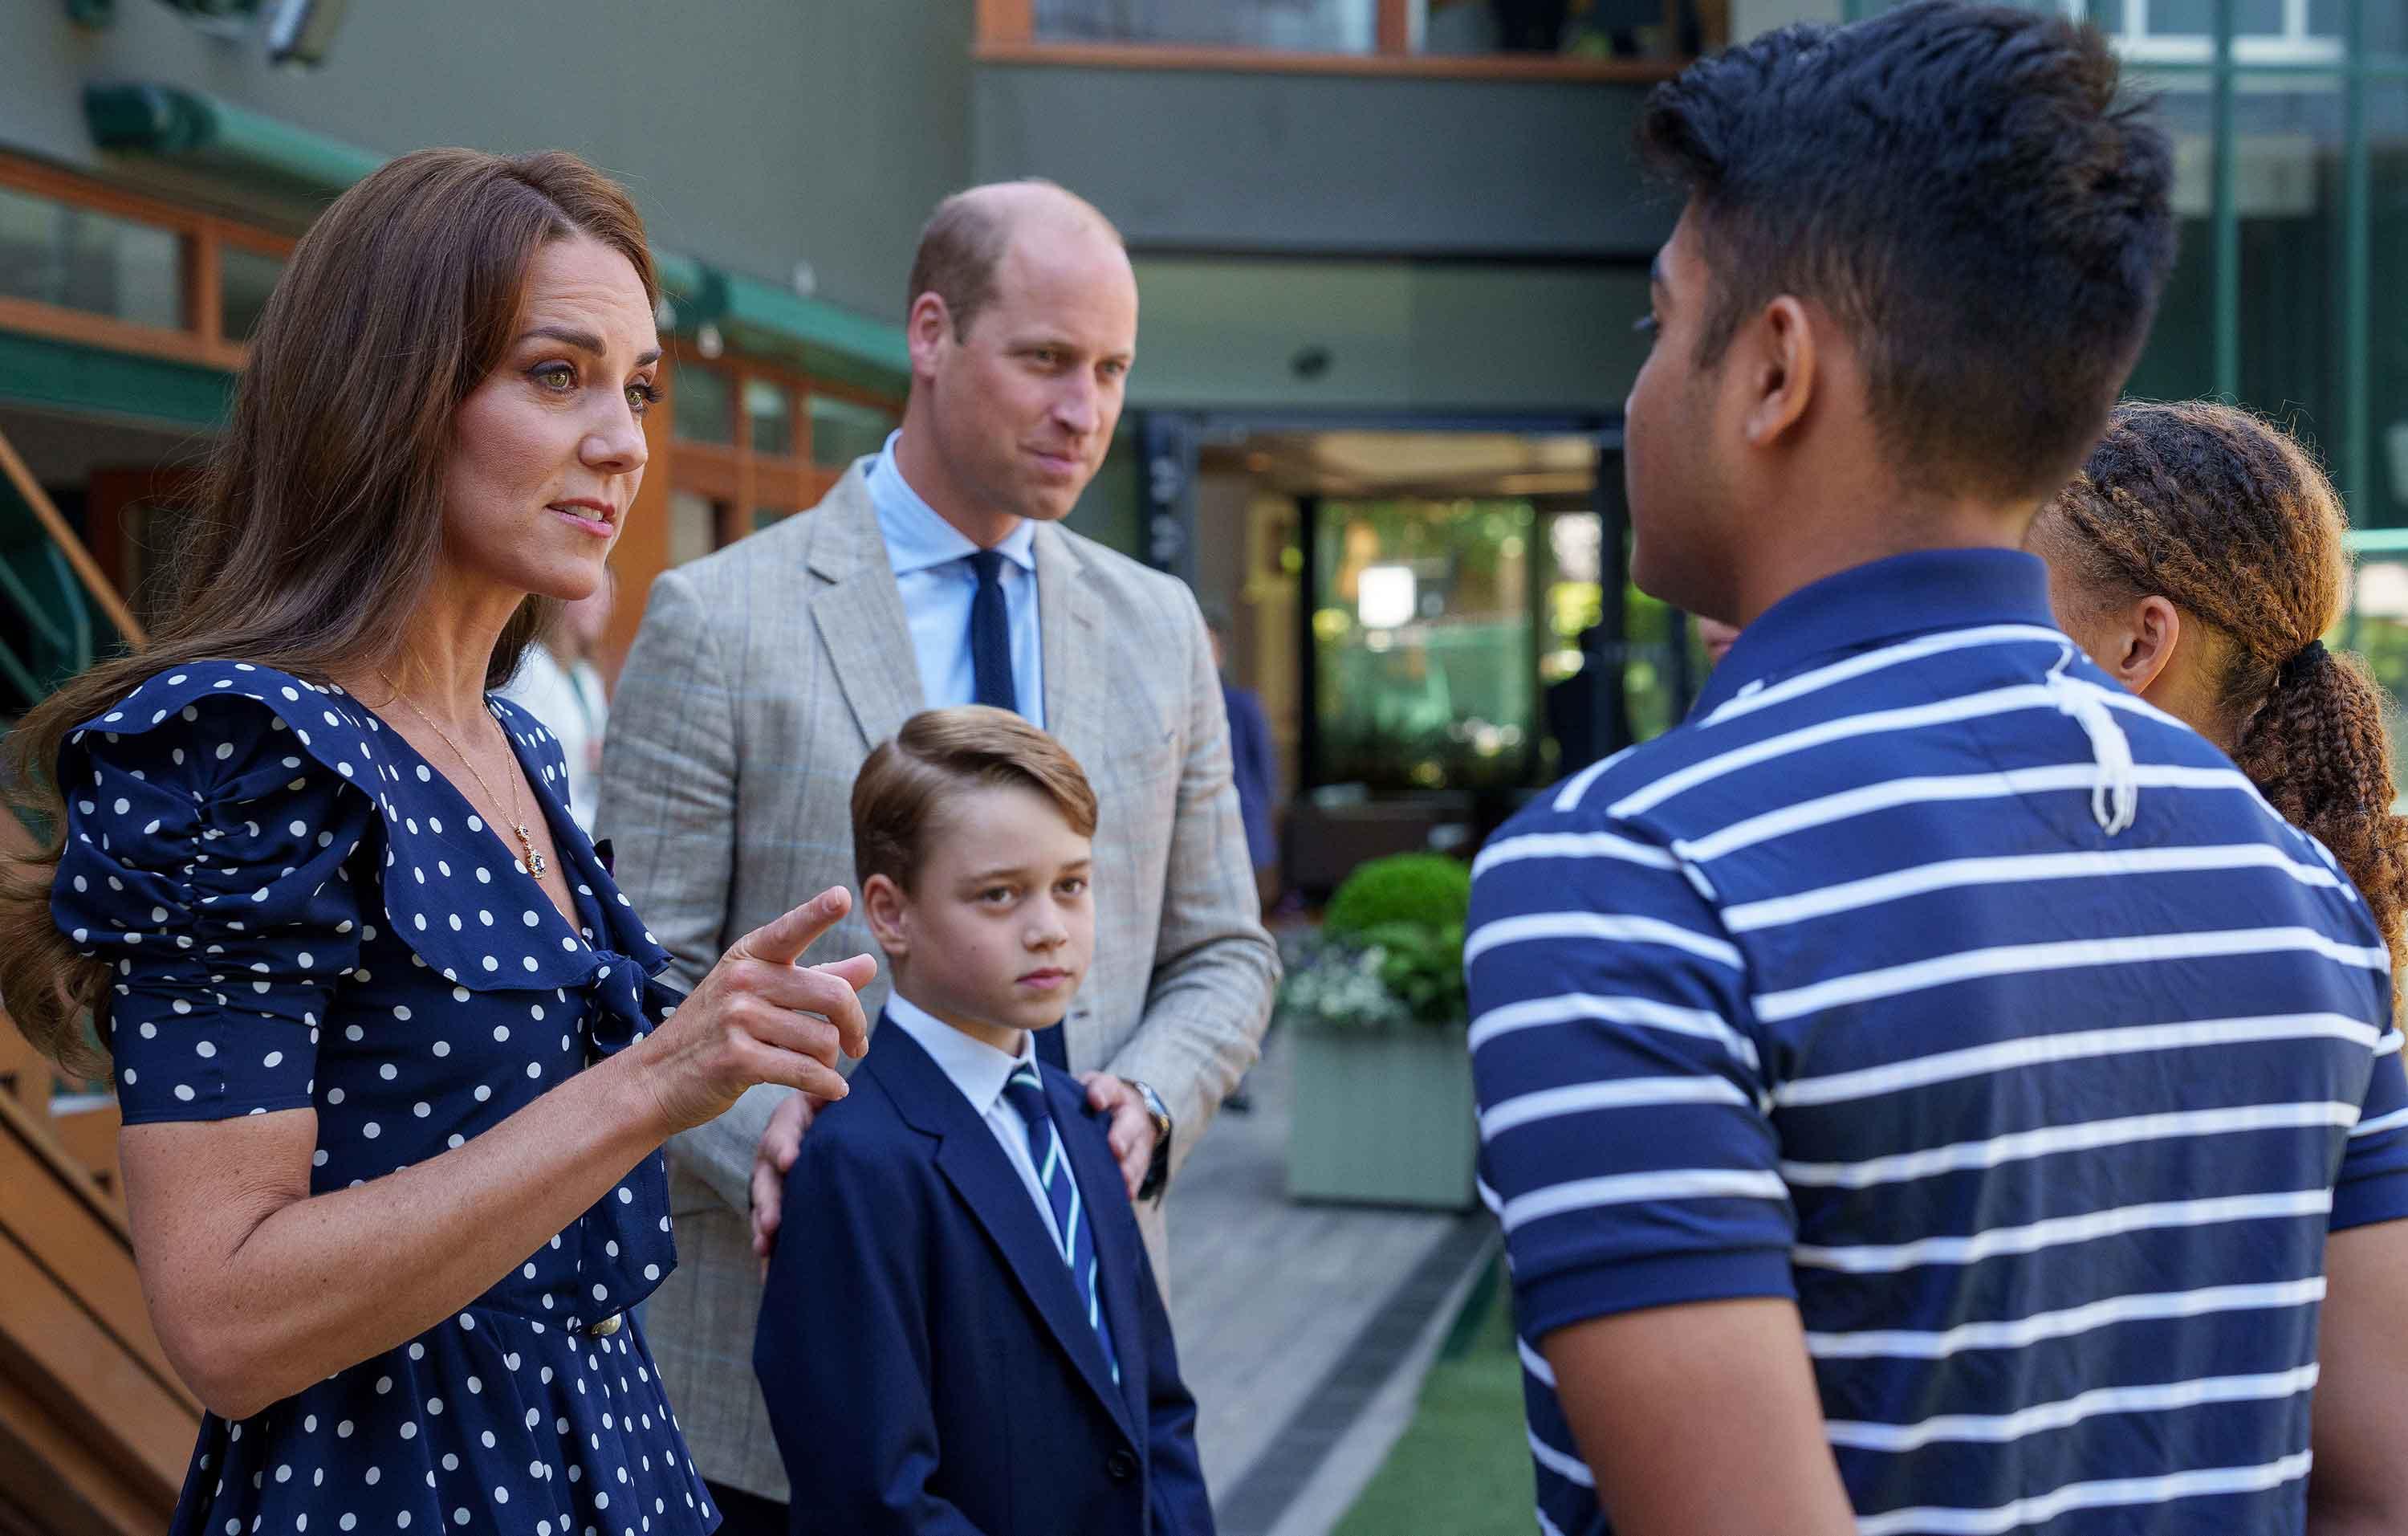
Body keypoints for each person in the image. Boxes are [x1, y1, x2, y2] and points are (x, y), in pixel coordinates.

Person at [1466, 6, 2408, 1533]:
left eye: (1659, 324)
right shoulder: (2295, 888)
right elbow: (2376, 1494)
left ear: (1775, 369)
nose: (1637, 390)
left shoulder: (1627, 881)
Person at [0, 149, 876, 1536]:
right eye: (554, 373)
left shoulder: (513, 743)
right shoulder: (239, 751)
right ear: (391, 395)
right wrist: (654, 1081)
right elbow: (225, 1315)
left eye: (638, 386)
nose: (625, 440)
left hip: (609, 1461)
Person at [600, 179, 1276, 1528]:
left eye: (1111, 370)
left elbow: (1225, 949)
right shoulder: (719, 619)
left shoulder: (1156, 630)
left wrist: (1144, 1104)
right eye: (1044, 359)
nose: (1084, 408)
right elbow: (633, 974)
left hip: (1082, 1357)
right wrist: (768, 1137)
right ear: (929, 333)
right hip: (781, 1392)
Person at [755, 707, 1213, 1534]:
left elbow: (1158, 1416)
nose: (1049, 927)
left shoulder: (1086, 1118)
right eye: (999, 894)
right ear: (890, 913)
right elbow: (874, 1498)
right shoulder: (855, 1164)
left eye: (1071, 884)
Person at [2026, 400, 2408, 967]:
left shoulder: (2071, 925)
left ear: (2140, 645)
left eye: (2022, 602)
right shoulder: (2323, 931)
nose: (1993, 633)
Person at [498, 566, 613, 834]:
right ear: (560, 599)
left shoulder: (586, 677)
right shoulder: (528, 669)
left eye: (608, 599)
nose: (603, 608)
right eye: (594, 596)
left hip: (588, 820)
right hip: (550, 825)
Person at [1205, 605, 1281, 914]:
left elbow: (1264, 768)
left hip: (1242, 819)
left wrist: (1263, 818)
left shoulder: (1242, 705)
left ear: (1220, 655)